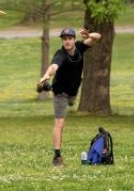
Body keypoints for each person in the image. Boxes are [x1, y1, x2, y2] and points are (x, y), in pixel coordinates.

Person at [38, 27, 101, 167]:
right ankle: (57, 157)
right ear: (62, 41)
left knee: (71, 101)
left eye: (69, 38)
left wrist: (89, 35)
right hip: (61, 94)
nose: (67, 41)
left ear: (74, 39)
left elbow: (98, 37)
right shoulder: (60, 54)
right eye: (64, 39)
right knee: (60, 123)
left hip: (73, 91)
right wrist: (47, 75)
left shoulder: (80, 47)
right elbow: (54, 66)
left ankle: (48, 87)